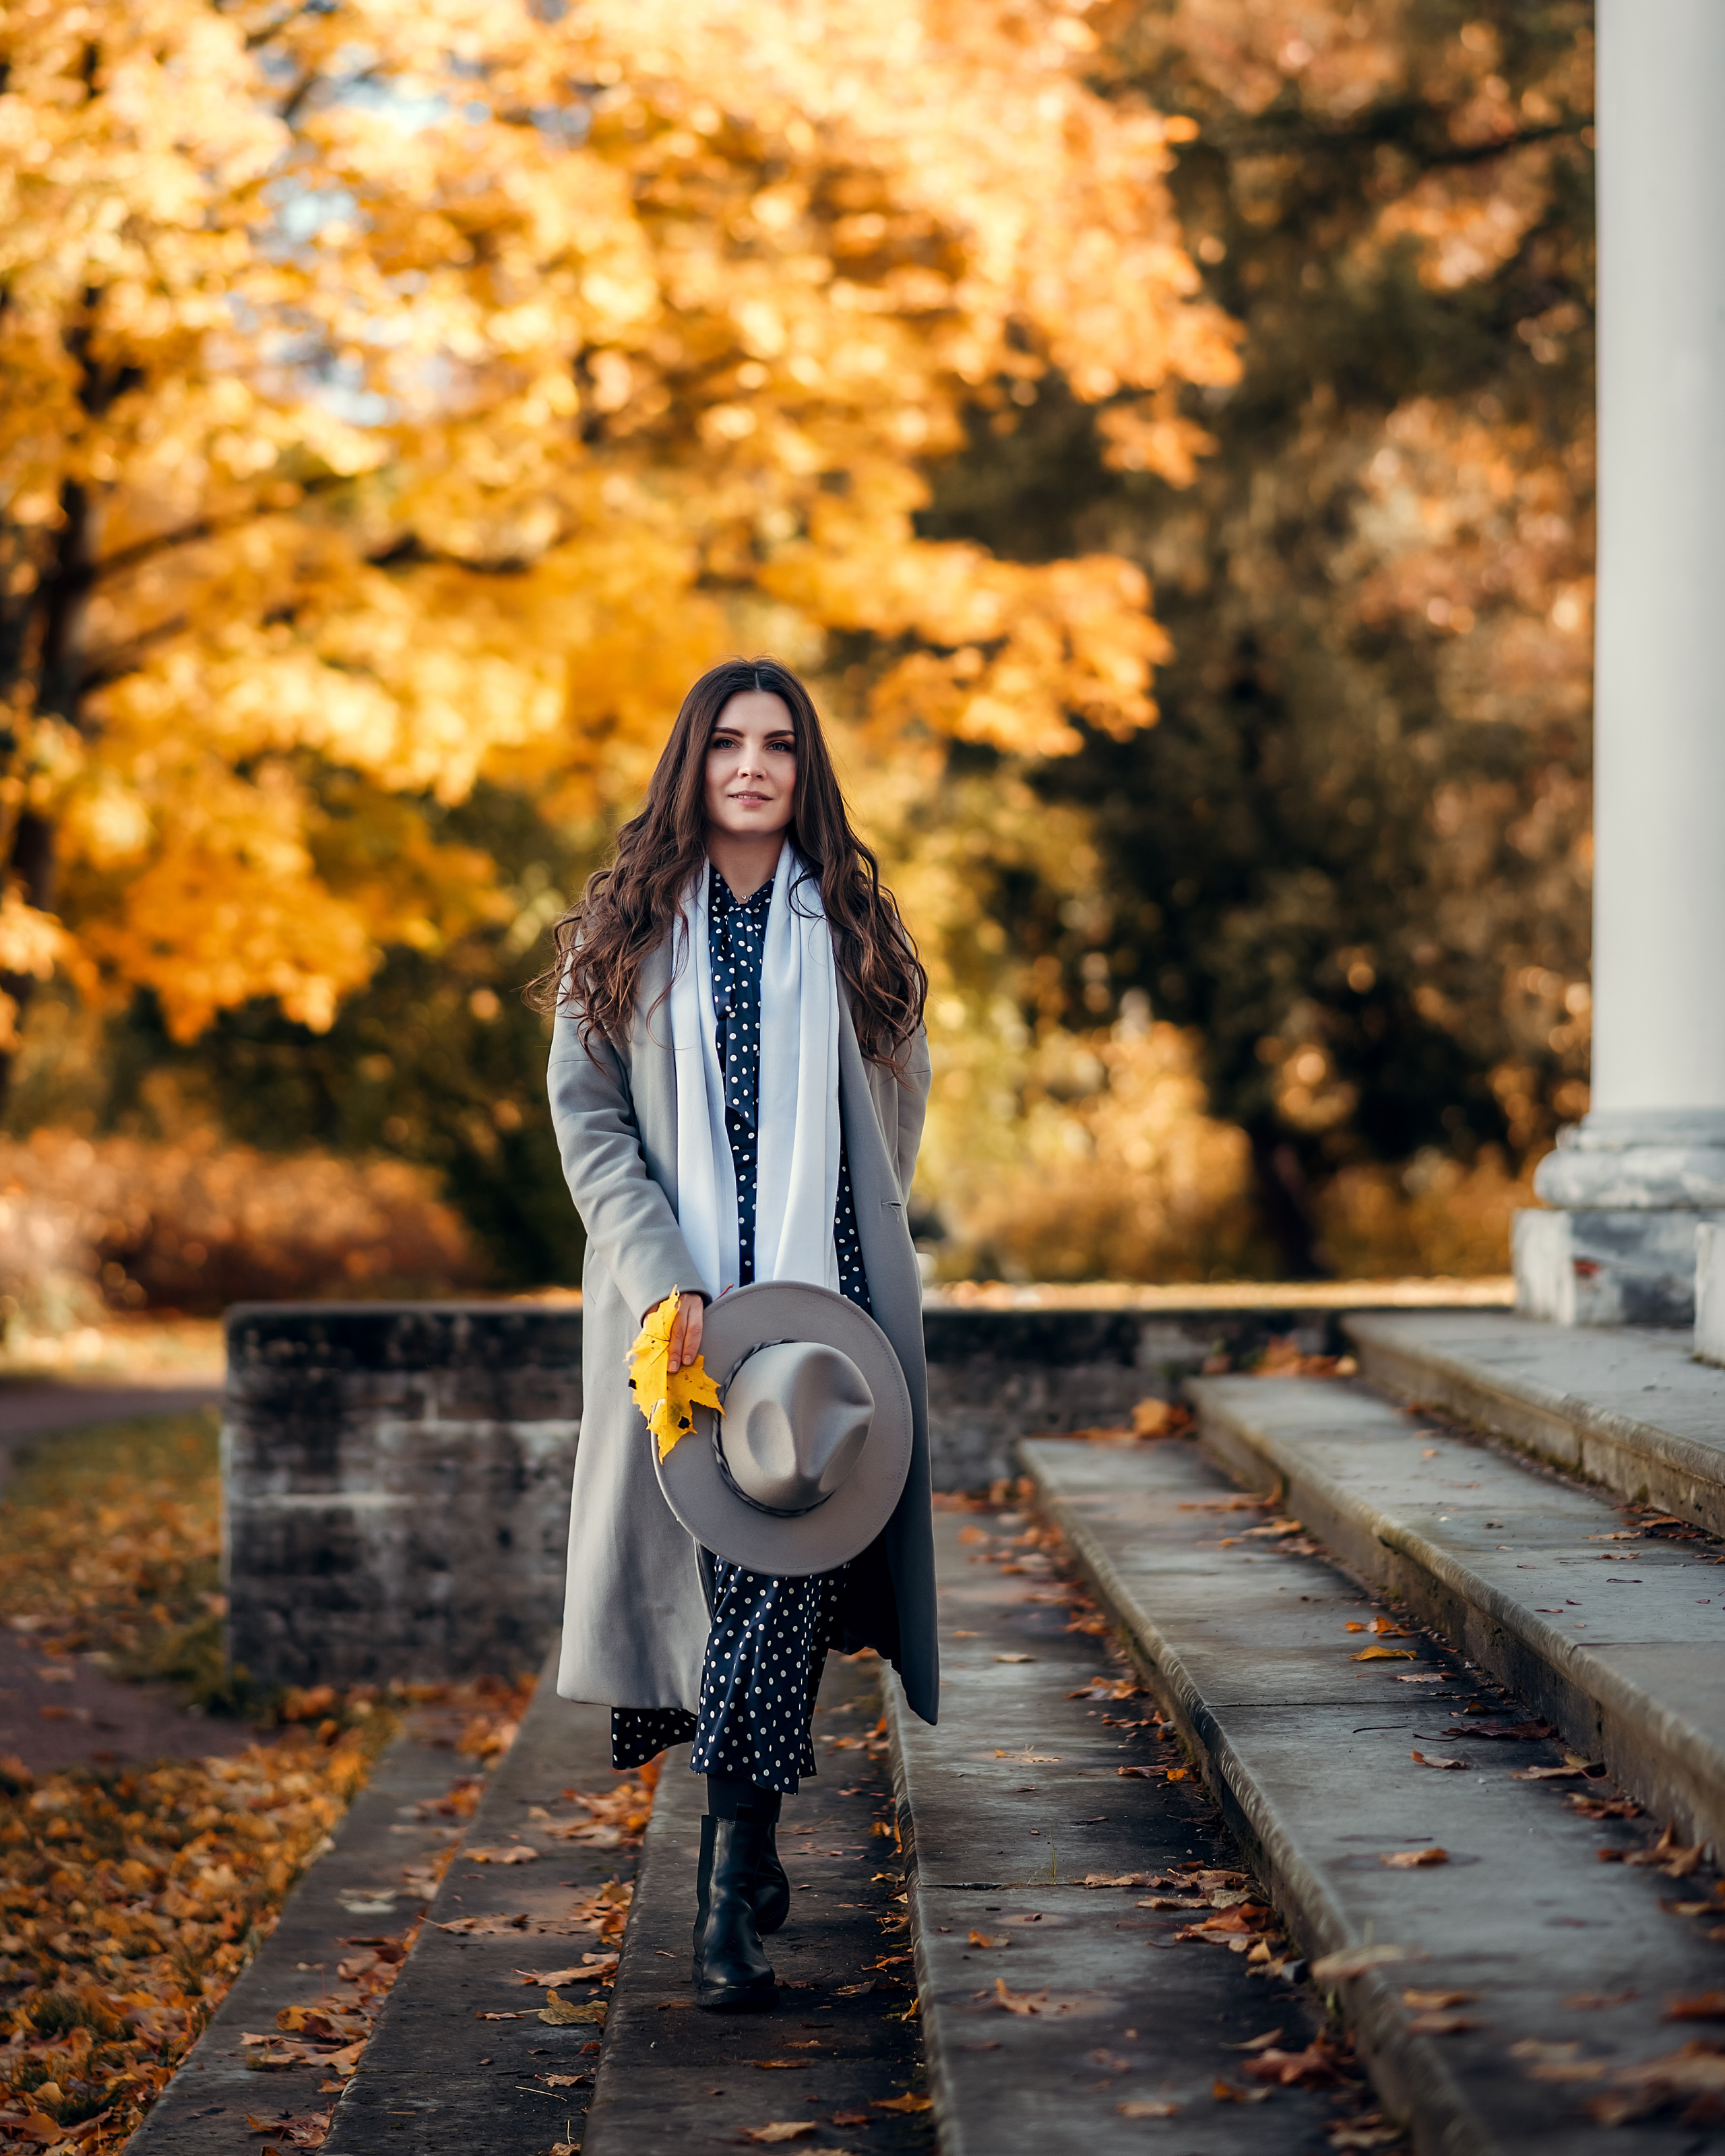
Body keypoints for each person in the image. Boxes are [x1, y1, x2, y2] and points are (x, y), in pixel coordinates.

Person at [533, 656, 937, 2012]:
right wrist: (662, 1275)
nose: (751, 764)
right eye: (725, 743)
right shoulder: (628, 924)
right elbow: (588, 1121)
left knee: (778, 1574)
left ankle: (723, 1891)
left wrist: (846, 1278)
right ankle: (747, 1853)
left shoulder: (857, 929)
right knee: (724, 1592)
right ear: (691, 764)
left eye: (775, 743)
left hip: (815, 1329)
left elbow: (890, 1125)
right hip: (679, 1327)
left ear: (802, 766)